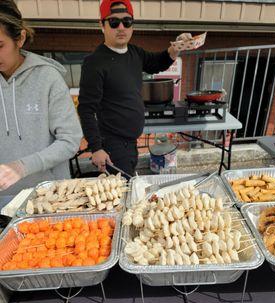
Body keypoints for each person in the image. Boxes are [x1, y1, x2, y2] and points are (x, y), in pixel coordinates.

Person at [78, 0, 191, 176]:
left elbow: (156, 63)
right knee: (120, 196)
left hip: (131, 143)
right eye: (114, 22)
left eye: (127, 21)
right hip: (112, 146)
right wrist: (96, 148)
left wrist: (176, 48)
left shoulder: (134, 52)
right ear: (102, 25)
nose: (121, 27)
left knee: (127, 187)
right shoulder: (94, 63)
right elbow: (86, 109)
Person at [0, 0, 82, 195]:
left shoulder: (47, 78)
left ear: (19, 38)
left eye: (0, 45)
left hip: (50, 197)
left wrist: (22, 166)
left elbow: (70, 140)